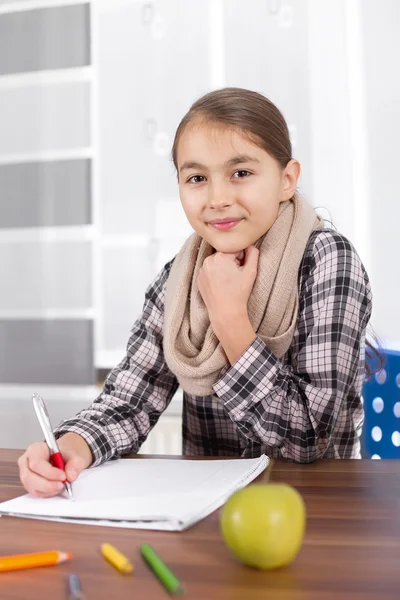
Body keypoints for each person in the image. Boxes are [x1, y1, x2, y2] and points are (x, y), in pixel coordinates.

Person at [18, 87, 373, 498]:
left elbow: (308, 438)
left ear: (287, 179)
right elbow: (131, 399)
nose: (218, 198)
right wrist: (69, 448)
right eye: (197, 178)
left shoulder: (328, 261)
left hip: (322, 511)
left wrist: (230, 318)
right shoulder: (182, 277)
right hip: (210, 510)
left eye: (241, 173)